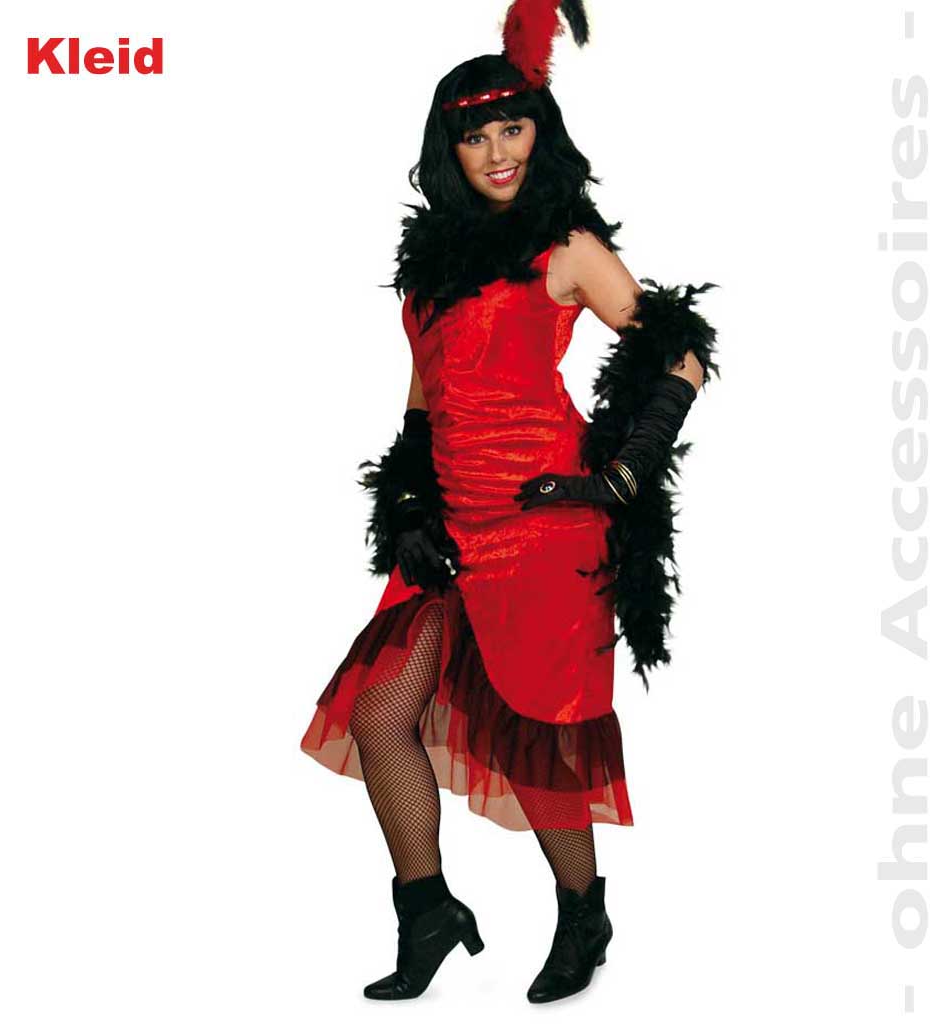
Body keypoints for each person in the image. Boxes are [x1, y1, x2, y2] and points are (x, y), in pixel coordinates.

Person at [300, 0, 719, 1004]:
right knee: (379, 714)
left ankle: (582, 912)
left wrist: (620, 475)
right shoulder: (432, 268)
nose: (497, 153)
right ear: (448, 149)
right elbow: (422, 398)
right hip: (452, 524)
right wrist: (409, 504)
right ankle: (427, 910)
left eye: (513, 128)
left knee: (536, 743)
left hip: (542, 523)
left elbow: (679, 351)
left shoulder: (565, 248)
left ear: (541, 130)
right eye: (475, 136)